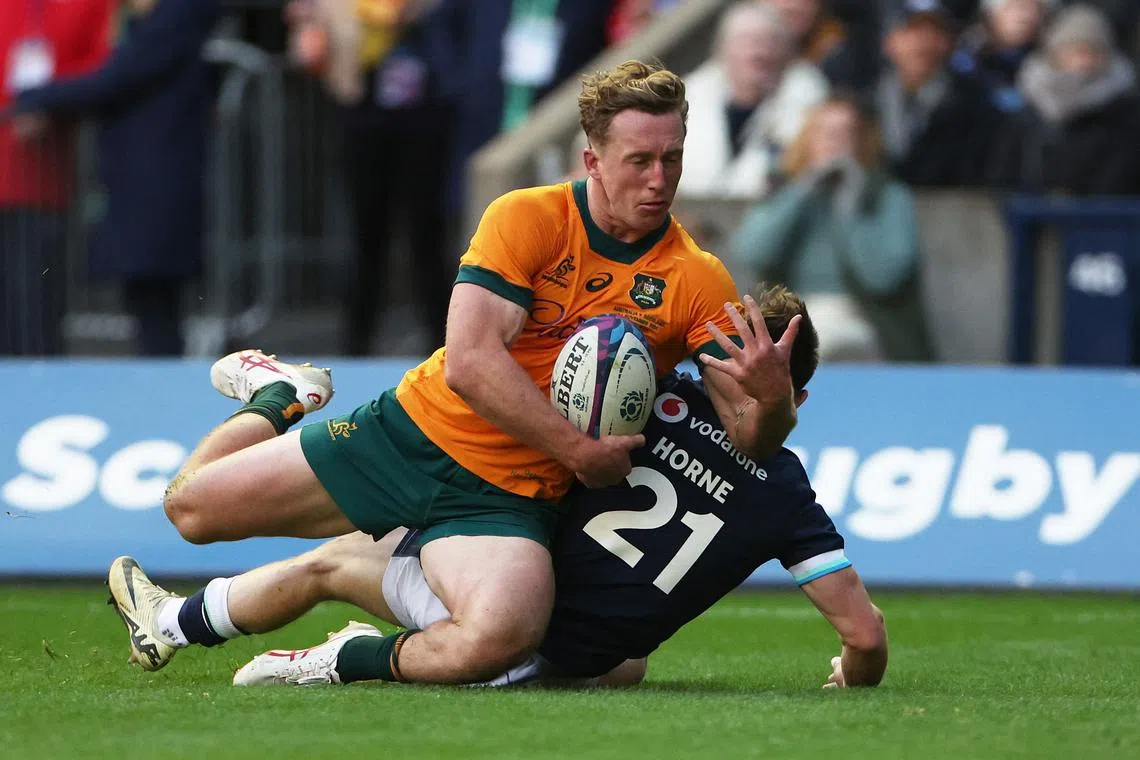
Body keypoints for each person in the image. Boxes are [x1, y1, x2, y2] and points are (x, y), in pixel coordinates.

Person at [107, 60, 802, 687]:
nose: (659, 180)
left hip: (509, 498)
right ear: (591, 158)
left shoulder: (695, 279)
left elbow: (750, 436)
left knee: (502, 638)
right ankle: (278, 396)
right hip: (410, 435)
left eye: (672, 160)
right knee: (189, 512)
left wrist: (772, 404)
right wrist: (577, 451)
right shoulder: (526, 217)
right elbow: (471, 363)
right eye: (639, 160)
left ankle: (343, 660)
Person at [109, 286, 889, 690]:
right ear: (800, 401)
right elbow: (864, 636)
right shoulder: (790, 498)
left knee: (342, 559)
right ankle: (274, 415)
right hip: (522, 578)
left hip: (517, 582)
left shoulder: (651, 398)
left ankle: (214, 630)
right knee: (615, 661)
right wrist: (852, 675)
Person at [9, 0, 220, 356]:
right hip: (147, 176)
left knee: (156, 303)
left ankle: (162, 391)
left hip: (158, 178)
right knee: (149, 297)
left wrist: (34, 97)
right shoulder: (161, 19)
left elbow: (117, 78)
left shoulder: (176, 16)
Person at [729, 96, 932, 362]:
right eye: (826, 133)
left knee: (837, 343)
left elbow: (884, 277)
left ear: (862, 141)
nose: (836, 142)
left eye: (846, 133)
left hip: (867, 323)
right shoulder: (784, 190)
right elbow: (751, 252)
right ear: (808, 139)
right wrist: (802, 190)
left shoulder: (890, 196)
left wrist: (851, 206)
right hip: (793, 316)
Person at [0, 0, 113, 356]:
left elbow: (100, 68)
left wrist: (46, 102)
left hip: (41, 177)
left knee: (32, 307)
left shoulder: (89, 5)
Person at [679, 1, 828, 199]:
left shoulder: (809, 101)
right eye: (747, 40)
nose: (758, 51)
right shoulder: (689, 98)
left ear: (786, 52)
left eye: (770, 41)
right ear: (723, 50)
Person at [1008, 3, 1140, 194]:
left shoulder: (1128, 117)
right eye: (1075, 51)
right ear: (1054, 55)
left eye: (1093, 52)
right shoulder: (1026, 114)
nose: (1083, 62)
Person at [874, 0, 997, 187]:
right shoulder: (866, 101)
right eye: (913, 31)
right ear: (889, 42)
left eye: (935, 32)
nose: (924, 42)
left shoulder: (975, 104)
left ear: (949, 43)